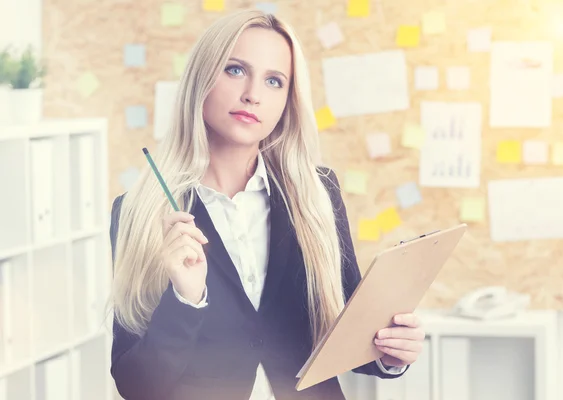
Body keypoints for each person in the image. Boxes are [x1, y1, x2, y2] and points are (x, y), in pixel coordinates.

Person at [108, 9, 425, 400]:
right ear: (201, 78)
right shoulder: (140, 212)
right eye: (235, 70)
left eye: (274, 81)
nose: (253, 94)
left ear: (287, 100)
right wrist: (185, 300)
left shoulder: (317, 194)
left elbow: (346, 335)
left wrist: (391, 352)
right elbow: (136, 386)